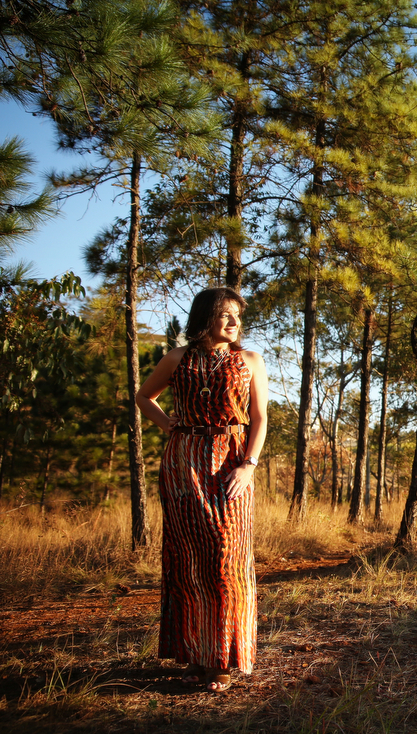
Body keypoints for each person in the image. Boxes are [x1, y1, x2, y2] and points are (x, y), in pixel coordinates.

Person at [136, 287, 268, 693]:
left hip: (231, 461)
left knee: (227, 557)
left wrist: (249, 465)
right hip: (183, 463)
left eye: (237, 316)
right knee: (188, 557)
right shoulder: (177, 358)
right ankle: (194, 654)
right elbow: (144, 397)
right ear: (205, 318)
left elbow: (260, 419)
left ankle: (223, 658)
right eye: (225, 315)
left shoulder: (250, 361)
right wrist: (168, 425)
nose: (234, 322)